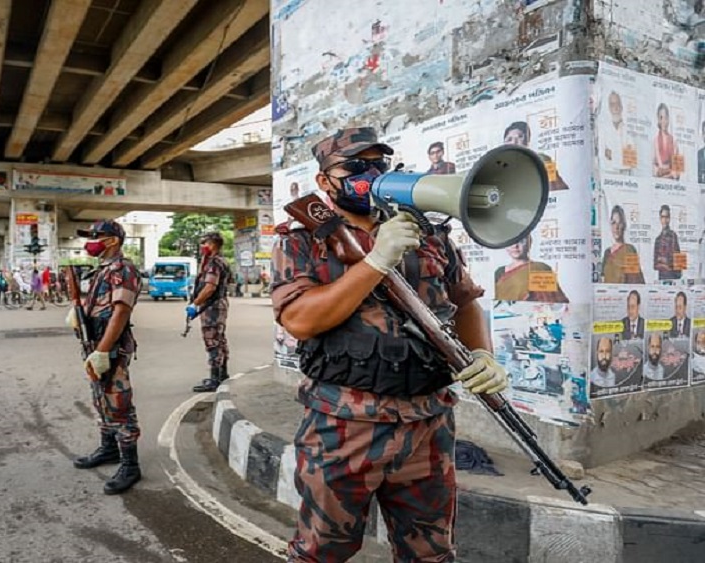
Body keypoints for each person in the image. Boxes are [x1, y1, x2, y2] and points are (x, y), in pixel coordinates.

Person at [271, 127, 507, 562]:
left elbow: (466, 302)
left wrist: (483, 354)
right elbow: (300, 319)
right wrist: (377, 261)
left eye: (379, 163)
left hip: (428, 423)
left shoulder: (426, 233)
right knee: (322, 551)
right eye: (355, 166)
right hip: (344, 426)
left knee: (431, 553)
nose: (370, 174)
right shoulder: (302, 239)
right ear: (325, 181)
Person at [68, 219, 142, 495]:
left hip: (110, 347)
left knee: (119, 404)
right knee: (101, 398)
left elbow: (121, 312)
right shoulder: (101, 270)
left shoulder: (124, 269)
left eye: (96, 236)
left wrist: (102, 351)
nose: (91, 241)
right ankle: (109, 448)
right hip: (95, 343)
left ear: (113, 240)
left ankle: (130, 465)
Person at [187, 232, 233, 393]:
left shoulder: (214, 263)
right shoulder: (220, 261)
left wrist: (195, 304)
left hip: (212, 307)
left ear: (212, 244)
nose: (201, 247)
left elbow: (209, 287)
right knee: (220, 339)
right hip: (218, 304)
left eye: (203, 243)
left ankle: (215, 379)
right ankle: (222, 374)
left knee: (212, 340)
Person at [493, 234, 568, 302]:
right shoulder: (500, 272)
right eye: (510, 242)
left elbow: (547, 300)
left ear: (529, 243)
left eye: (521, 241)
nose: (515, 246)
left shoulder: (540, 268)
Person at [503, 121, 569, 190]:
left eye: (520, 137)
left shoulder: (542, 159)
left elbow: (554, 188)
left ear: (527, 141)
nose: (514, 142)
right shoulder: (501, 166)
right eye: (509, 139)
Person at [601, 205, 645, 283]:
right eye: (613, 223)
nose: (616, 227)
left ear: (624, 225)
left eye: (619, 223)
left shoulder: (629, 250)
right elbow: (602, 280)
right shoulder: (607, 253)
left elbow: (635, 282)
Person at [600, 91, 634, 175]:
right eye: (612, 104)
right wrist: (620, 154)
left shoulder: (629, 129)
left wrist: (612, 155)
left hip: (626, 176)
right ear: (609, 107)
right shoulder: (603, 130)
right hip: (609, 176)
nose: (615, 107)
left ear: (621, 106)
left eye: (617, 103)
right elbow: (603, 159)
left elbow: (630, 160)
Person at [653, 205, 682, 281]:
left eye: (667, 217)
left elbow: (679, 264)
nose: (665, 220)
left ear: (669, 219)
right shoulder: (657, 240)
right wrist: (666, 262)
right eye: (663, 217)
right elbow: (655, 265)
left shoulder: (673, 236)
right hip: (662, 278)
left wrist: (663, 261)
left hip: (673, 278)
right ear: (660, 219)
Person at [653, 103, 680, 179]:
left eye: (665, 118)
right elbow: (654, 171)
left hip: (671, 185)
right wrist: (667, 171)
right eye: (661, 118)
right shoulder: (655, 141)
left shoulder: (674, 142)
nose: (663, 121)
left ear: (668, 119)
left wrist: (666, 173)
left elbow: (677, 172)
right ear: (658, 120)